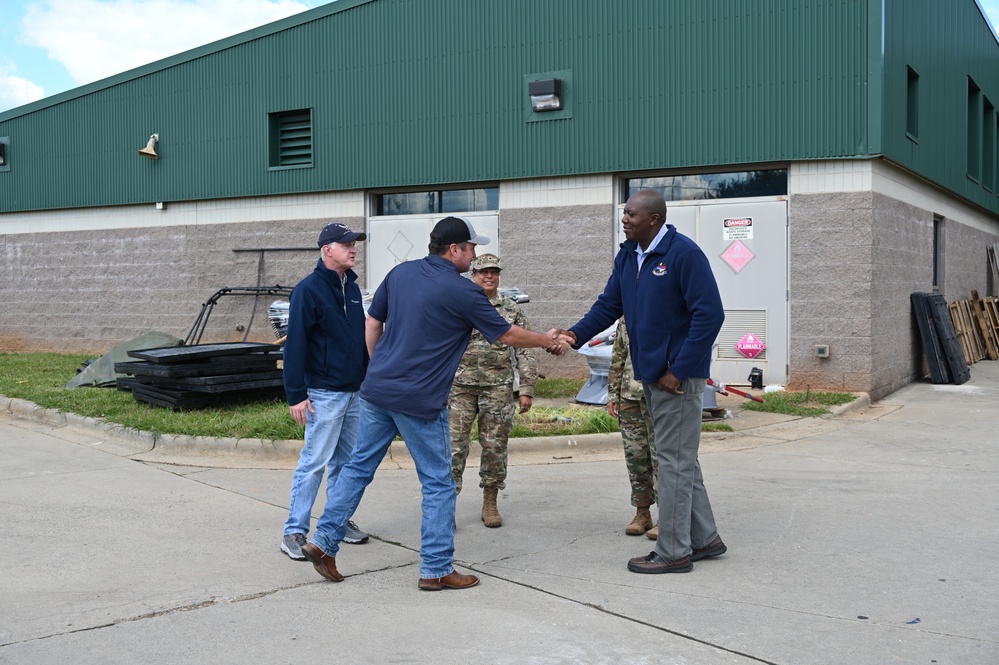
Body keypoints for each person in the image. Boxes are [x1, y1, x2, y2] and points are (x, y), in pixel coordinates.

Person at [301, 216, 566, 590]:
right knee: (439, 483)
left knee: (359, 468)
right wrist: (545, 339)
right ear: (454, 250)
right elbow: (505, 333)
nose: (475, 256)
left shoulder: (400, 274)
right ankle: (437, 568)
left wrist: (380, 367)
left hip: (378, 390)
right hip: (419, 400)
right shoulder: (464, 292)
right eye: (471, 248)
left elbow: (372, 323)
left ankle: (323, 542)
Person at [553, 189, 728, 574]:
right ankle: (705, 538)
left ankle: (674, 551)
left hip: (676, 379)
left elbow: (710, 316)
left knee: (674, 464)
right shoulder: (629, 254)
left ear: (654, 219)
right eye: (624, 212)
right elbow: (609, 304)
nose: (624, 218)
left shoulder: (684, 255)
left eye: (632, 214)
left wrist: (678, 369)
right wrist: (574, 334)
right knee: (680, 460)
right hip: (650, 373)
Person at [280, 223, 371, 560]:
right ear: (326, 249)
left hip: (354, 392)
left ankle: (336, 522)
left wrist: (368, 381)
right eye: (345, 244)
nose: (353, 248)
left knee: (347, 464)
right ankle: (294, 531)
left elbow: (361, 340)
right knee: (314, 462)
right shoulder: (308, 290)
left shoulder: (353, 289)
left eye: (354, 244)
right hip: (324, 393)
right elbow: (296, 346)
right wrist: (296, 394)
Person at [449, 253, 539, 528]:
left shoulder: (511, 309)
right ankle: (446, 505)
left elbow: (525, 350)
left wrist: (526, 388)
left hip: (497, 388)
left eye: (494, 272)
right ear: (472, 274)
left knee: (494, 447)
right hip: (459, 388)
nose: (489, 276)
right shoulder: (458, 304)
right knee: (452, 449)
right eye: (483, 272)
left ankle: (490, 502)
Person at [606, 317, 657, 538]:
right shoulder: (626, 320)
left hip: (658, 395)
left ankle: (668, 516)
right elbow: (618, 356)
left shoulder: (663, 309)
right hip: (629, 396)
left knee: (661, 458)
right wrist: (613, 394)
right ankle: (642, 513)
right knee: (636, 458)